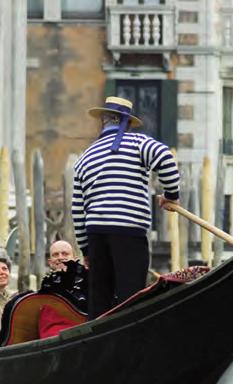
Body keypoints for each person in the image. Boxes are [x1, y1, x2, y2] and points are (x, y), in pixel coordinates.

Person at [73, 96, 180, 319]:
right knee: (130, 297)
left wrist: (86, 250)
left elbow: (78, 210)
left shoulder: (85, 156)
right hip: (128, 232)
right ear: (127, 122)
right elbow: (166, 159)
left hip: (95, 234)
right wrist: (171, 196)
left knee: (100, 299)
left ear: (103, 122)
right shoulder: (138, 143)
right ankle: (127, 345)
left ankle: (98, 345)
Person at [39, 240, 88, 313]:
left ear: (74, 259)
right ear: (50, 262)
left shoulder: (86, 276)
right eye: (55, 255)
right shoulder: (47, 282)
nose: (60, 258)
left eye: (65, 254)